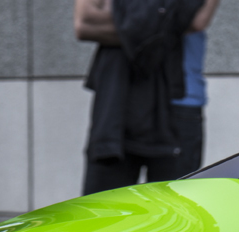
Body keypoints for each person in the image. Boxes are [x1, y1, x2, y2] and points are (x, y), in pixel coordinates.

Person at [76, 0, 219, 195]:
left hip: (179, 103)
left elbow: (196, 20)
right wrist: (165, 19)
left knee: (175, 217)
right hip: (118, 101)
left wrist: (121, 13)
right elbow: (85, 23)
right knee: (104, 214)